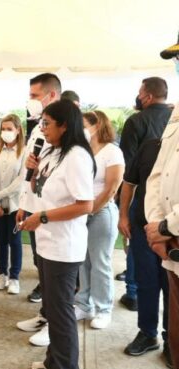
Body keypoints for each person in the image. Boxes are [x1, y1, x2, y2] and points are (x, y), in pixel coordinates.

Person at [17, 99, 95, 369]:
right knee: (52, 308)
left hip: (64, 246)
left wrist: (44, 217)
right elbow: (41, 188)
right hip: (47, 242)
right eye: (42, 123)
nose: (42, 129)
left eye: (47, 124)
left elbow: (85, 205)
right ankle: (54, 362)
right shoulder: (53, 151)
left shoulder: (77, 156)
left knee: (61, 314)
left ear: (64, 125)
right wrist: (28, 201)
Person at [16, 73, 61, 348]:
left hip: (51, 213)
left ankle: (55, 324)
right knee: (41, 265)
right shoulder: (38, 126)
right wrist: (23, 204)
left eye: (34, 96)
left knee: (57, 272)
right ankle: (46, 315)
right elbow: (30, 168)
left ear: (51, 96)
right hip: (34, 207)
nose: (30, 101)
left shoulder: (63, 129)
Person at [119, 77, 171, 311]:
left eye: (140, 92)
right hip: (170, 209)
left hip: (144, 204)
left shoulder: (136, 121)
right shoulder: (172, 118)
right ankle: (169, 339)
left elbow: (127, 168)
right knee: (170, 282)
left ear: (147, 96)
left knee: (145, 273)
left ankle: (132, 295)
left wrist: (124, 211)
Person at [119, 139, 171, 368]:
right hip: (142, 227)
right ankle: (148, 333)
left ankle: (172, 340)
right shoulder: (151, 146)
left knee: (172, 288)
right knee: (146, 282)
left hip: (173, 233)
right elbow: (129, 183)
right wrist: (123, 216)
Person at [145, 34, 179, 369]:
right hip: (171, 249)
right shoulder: (176, 113)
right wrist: (157, 227)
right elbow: (157, 174)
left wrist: (167, 227)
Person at [74, 111, 124, 329]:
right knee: (82, 260)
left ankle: (104, 309)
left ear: (96, 125)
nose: (81, 129)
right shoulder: (83, 150)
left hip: (101, 212)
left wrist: (92, 208)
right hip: (81, 211)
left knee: (100, 261)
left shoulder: (112, 151)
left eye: (84, 125)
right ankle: (83, 303)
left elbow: (112, 187)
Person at [0, 114, 26, 294]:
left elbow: (21, 180)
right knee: (1, 241)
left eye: (9, 129)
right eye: (3, 129)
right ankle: (2, 274)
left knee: (15, 241)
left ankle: (14, 277)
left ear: (18, 130)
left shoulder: (24, 152)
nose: (6, 132)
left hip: (15, 205)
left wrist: (0, 195)